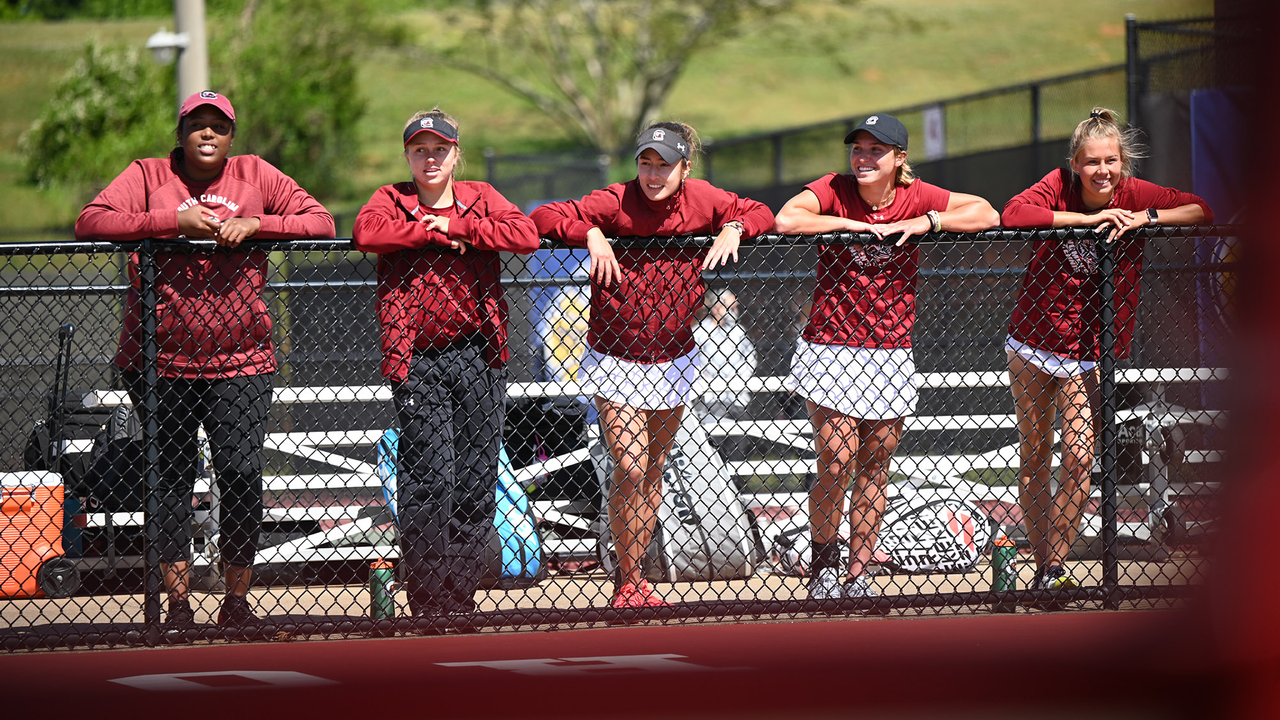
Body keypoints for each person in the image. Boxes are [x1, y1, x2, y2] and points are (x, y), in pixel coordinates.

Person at [74, 90, 336, 629]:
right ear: (181, 132)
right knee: (169, 477)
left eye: (219, 125)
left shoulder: (255, 174)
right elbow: (91, 221)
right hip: (159, 361)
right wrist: (171, 221)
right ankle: (177, 605)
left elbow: (322, 222)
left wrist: (260, 225)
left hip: (242, 359)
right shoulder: (148, 174)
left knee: (241, 474)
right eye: (198, 124)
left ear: (232, 136)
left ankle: (236, 601)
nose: (208, 134)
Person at [531, 122, 775, 609]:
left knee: (654, 469)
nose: (653, 172)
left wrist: (734, 226)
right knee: (630, 465)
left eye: (664, 163)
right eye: (646, 161)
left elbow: (762, 211)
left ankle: (637, 579)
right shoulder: (616, 199)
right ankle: (626, 579)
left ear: (684, 168)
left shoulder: (702, 198)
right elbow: (542, 216)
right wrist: (592, 234)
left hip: (675, 358)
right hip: (614, 356)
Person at [774, 113, 999, 601]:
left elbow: (988, 214)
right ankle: (824, 564)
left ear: (899, 159)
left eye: (877, 151)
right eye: (858, 148)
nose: (864, 158)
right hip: (830, 346)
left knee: (876, 462)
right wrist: (847, 225)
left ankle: (857, 574)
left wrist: (928, 221)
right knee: (836, 459)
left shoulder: (918, 195)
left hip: (890, 351)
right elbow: (787, 219)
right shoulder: (835, 188)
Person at [1002, 108, 1212, 593]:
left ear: (1123, 163)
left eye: (1111, 161)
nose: (1102, 171)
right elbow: (1013, 213)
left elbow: (1202, 209)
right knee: (1035, 452)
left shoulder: (1135, 194)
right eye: (1092, 161)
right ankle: (1042, 565)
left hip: (1089, 349)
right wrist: (1086, 218)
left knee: (1077, 455)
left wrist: (1146, 217)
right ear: (1076, 163)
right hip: (1034, 339)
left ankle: (1053, 566)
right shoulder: (1058, 184)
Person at [352, 109, 539, 621]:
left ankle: (459, 597)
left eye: (440, 149)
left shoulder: (479, 196)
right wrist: (432, 233)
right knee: (431, 477)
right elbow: (366, 234)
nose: (430, 159)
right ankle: (428, 600)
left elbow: (525, 234)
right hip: (418, 358)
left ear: (457, 153)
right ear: (407, 155)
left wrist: (461, 227)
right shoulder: (391, 199)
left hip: (479, 354)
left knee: (476, 479)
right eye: (420, 150)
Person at [693, 289, 758, 421]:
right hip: (709, 396)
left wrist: (737, 375)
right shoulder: (699, 332)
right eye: (731, 307)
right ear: (716, 307)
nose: (735, 311)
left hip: (737, 397)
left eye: (735, 308)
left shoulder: (738, 331)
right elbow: (693, 361)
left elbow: (751, 358)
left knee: (740, 436)